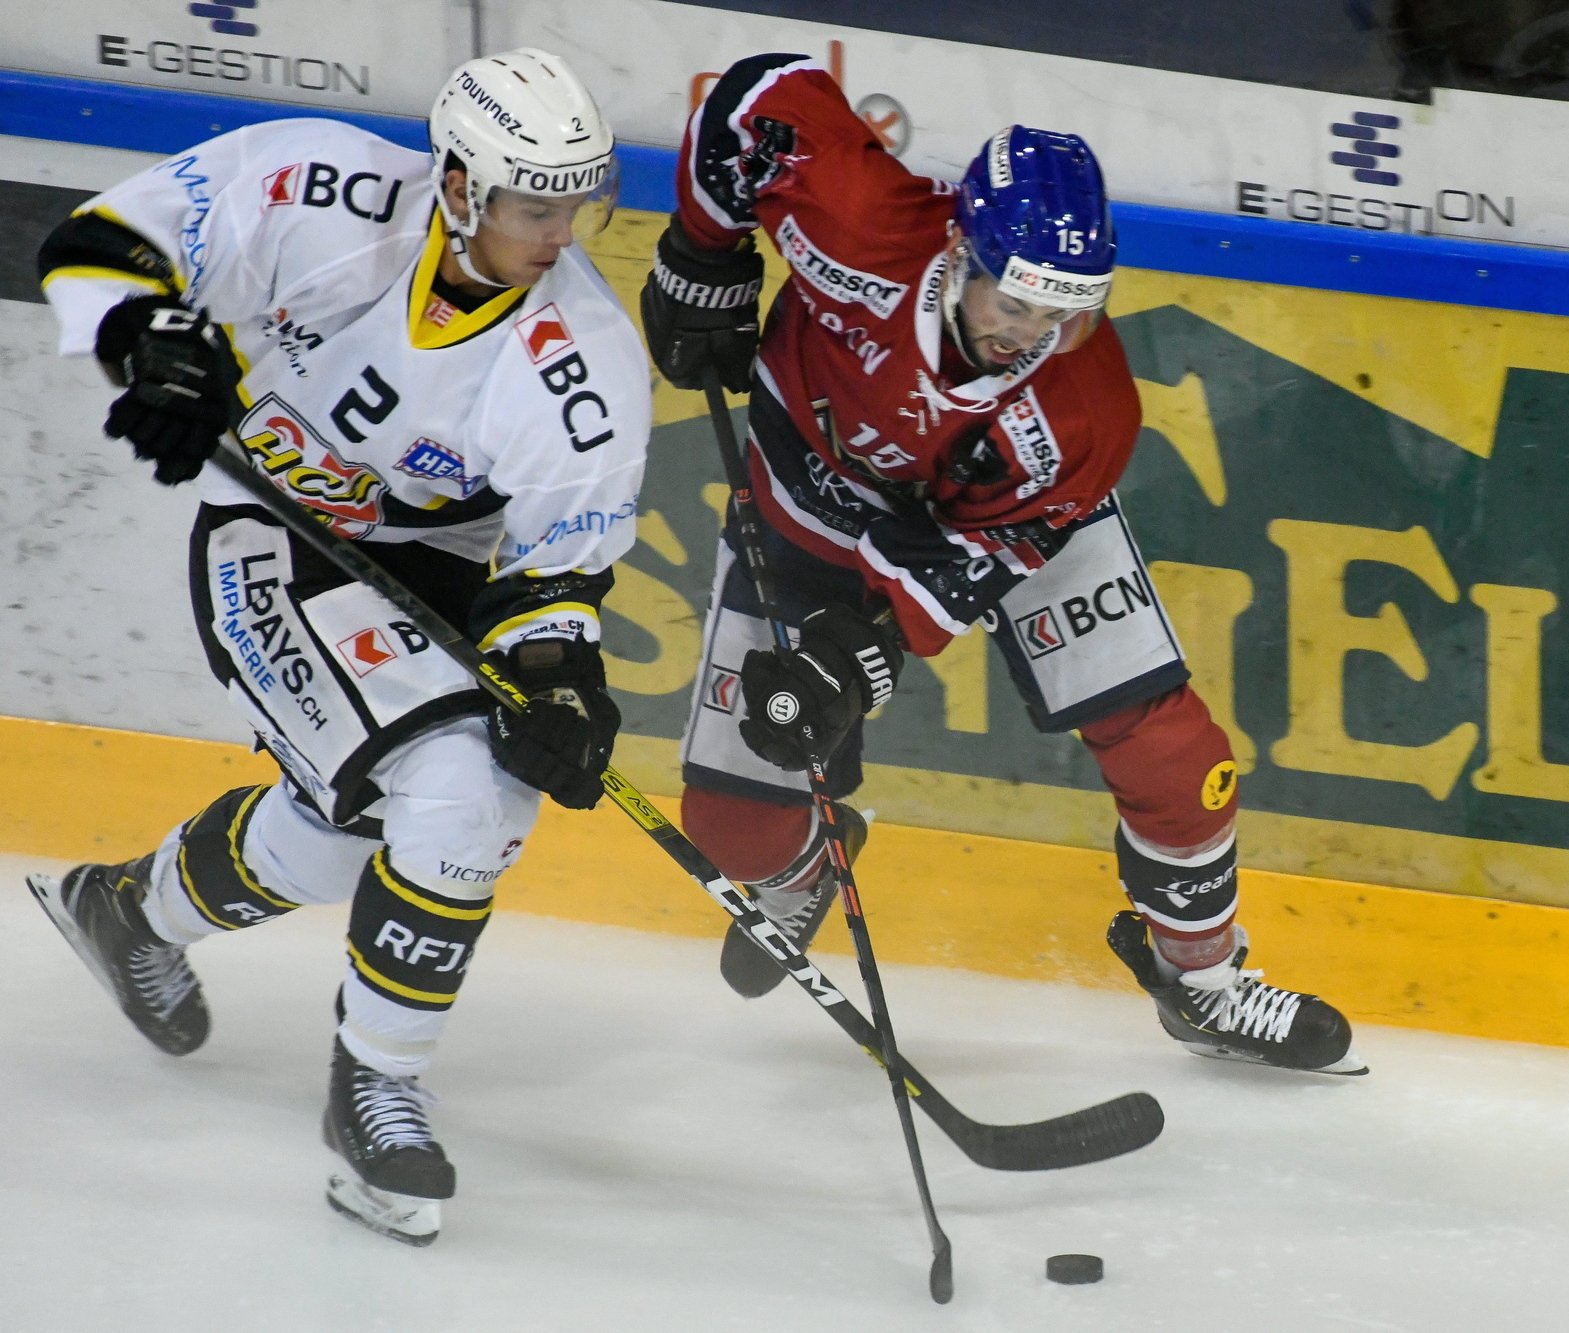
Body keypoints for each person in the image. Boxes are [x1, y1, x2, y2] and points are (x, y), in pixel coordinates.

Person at [28, 48, 651, 1245]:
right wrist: (148, 342)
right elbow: (100, 244)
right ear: (460, 187)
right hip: (267, 531)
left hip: (439, 572)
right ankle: (378, 1087)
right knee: (465, 795)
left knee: (349, 830)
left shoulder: (585, 365)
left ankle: (132, 912)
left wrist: (560, 678)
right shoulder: (318, 192)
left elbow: (551, 572)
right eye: (535, 204)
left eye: (579, 201)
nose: (561, 231)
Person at [641, 53, 1364, 1075]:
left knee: (1174, 756)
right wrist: (701, 255)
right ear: (960, 248)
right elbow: (754, 92)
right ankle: (808, 861)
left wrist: (861, 654)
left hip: (988, 526)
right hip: (807, 504)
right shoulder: (860, 220)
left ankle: (1202, 981)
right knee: (730, 825)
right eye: (1015, 301)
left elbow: (972, 562)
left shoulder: (1083, 412)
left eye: (1063, 310)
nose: (1031, 334)